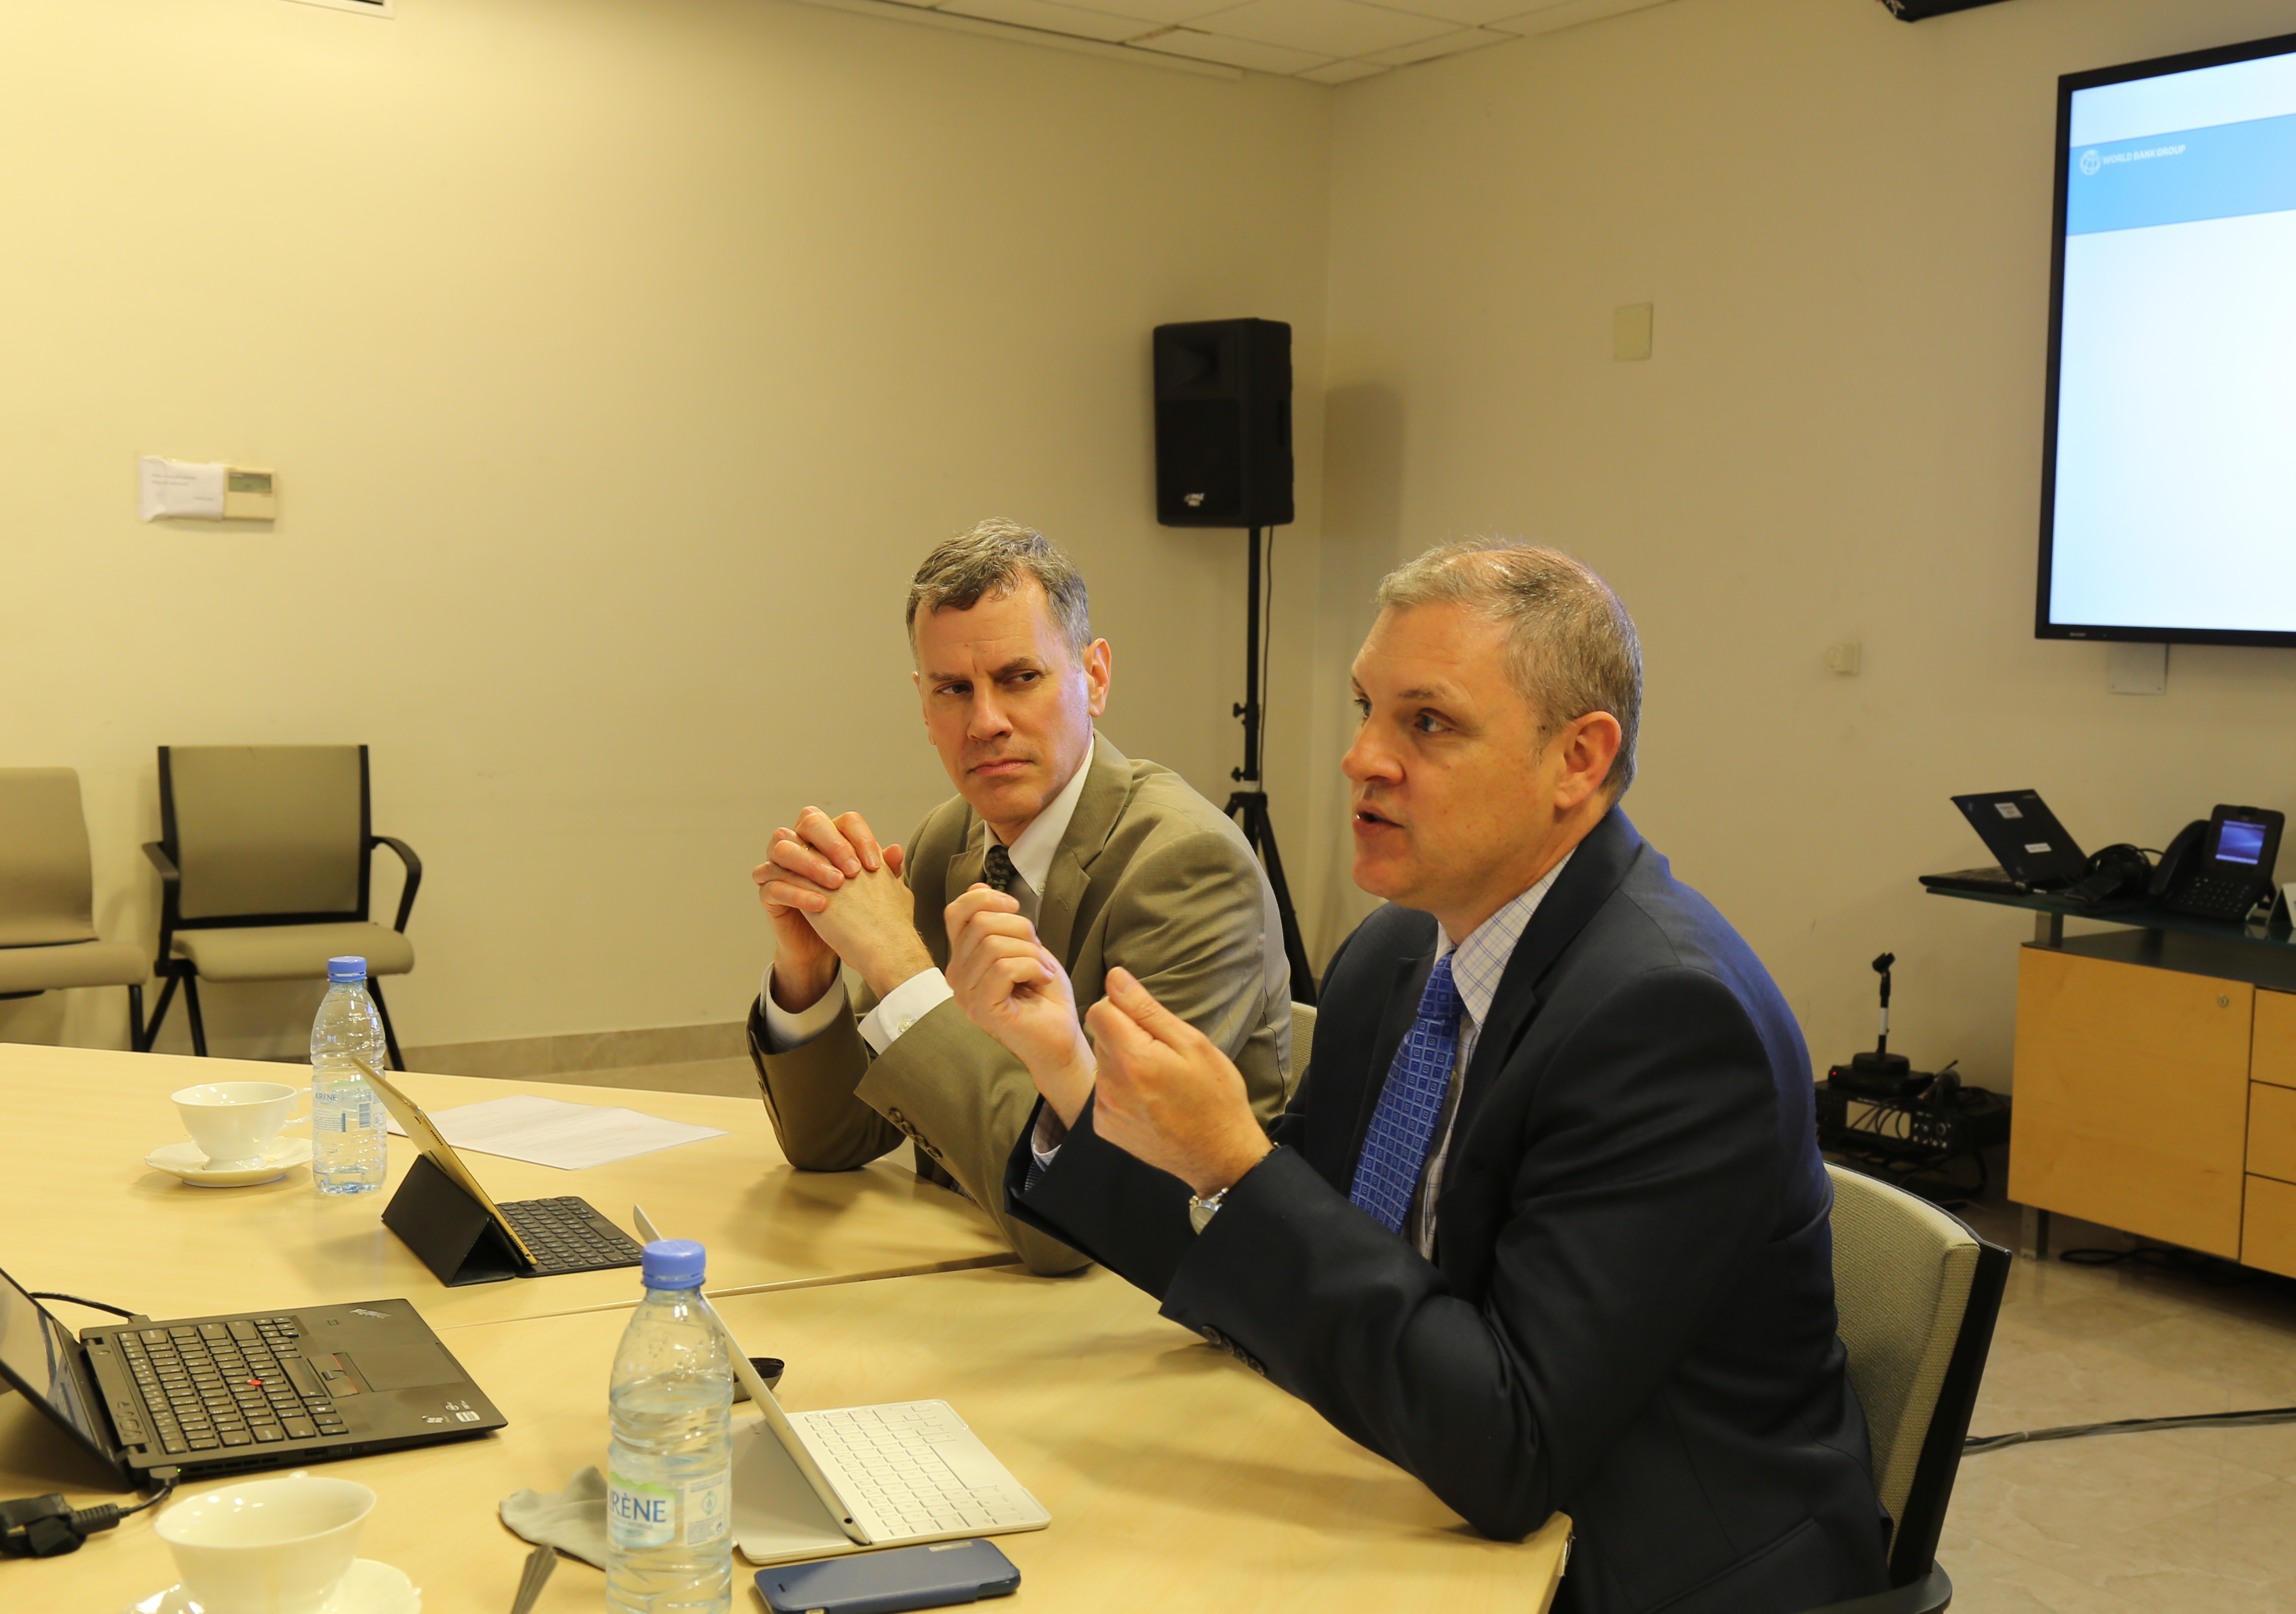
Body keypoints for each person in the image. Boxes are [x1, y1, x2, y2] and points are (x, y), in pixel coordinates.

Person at [948, 540, 1887, 1613]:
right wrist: (1064, 1064)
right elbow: (1267, 1258)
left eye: (1427, 724)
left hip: (1637, 1559)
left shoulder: (1667, 1018)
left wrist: (1239, 1164)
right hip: (1418, 1470)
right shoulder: (1397, 953)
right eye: (1365, 710)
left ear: (1578, 761)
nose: (1362, 759)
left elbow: (1513, 1443)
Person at [745, 519, 1292, 1275]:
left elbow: (1085, 1222)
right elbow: (834, 1143)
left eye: (1020, 678)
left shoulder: (1187, 865)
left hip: (1147, 1308)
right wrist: (809, 970)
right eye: (954, 690)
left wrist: (903, 967)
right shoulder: (951, 840)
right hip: (977, 1270)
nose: (987, 723)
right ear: (923, 704)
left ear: (1094, 679)